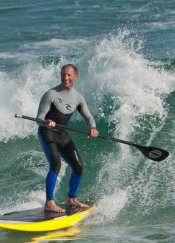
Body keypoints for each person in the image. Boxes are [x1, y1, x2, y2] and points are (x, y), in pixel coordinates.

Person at [36, 64, 99, 213]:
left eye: (69, 75)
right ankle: (49, 202)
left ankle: (71, 199)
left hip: (62, 134)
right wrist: (46, 121)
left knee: (78, 166)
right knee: (56, 163)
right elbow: (38, 117)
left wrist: (93, 128)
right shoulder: (51, 94)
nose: (66, 78)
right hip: (47, 132)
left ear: (75, 77)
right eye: (63, 74)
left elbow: (88, 117)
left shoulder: (78, 97)